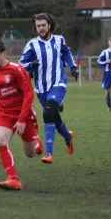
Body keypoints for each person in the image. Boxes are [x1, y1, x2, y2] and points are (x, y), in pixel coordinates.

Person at [0, 40, 44, 191]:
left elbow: (28, 94)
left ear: (4, 53)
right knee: (1, 140)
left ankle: (37, 141)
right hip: (4, 113)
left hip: (23, 113)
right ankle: (13, 179)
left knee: (30, 153)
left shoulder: (17, 69)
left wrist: (21, 119)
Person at [19, 13, 78, 164]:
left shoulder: (59, 40)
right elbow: (21, 66)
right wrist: (31, 65)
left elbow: (66, 52)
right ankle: (68, 137)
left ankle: (49, 153)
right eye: (38, 26)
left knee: (48, 112)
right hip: (41, 89)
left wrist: (73, 67)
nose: (41, 28)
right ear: (35, 27)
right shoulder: (32, 45)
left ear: (49, 25)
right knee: (54, 117)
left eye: (43, 25)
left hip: (58, 83)